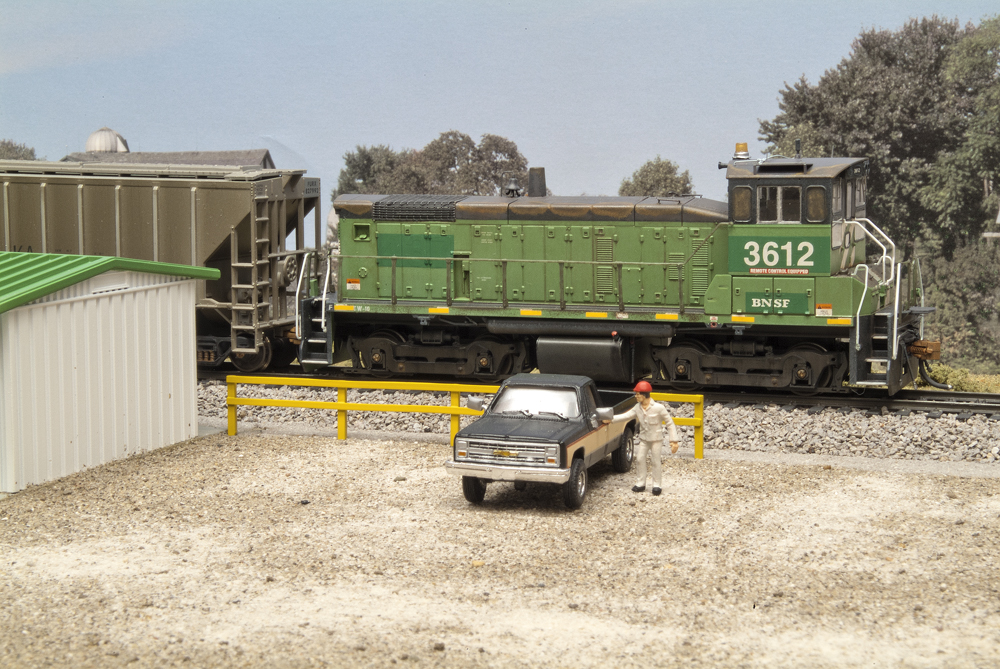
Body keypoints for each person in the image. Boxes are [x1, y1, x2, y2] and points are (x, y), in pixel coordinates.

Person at [605, 380, 678, 495]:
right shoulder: (637, 407)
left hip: (656, 439)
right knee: (639, 459)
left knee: (656, 461)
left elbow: (669, 423)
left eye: (638, 394)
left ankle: (657, 485)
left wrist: (673, 440)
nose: (636, 396)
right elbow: (627, 415)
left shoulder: (658, 408)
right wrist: (611, 419)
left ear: (644, 395)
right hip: (644, 439)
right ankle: (640, 483)